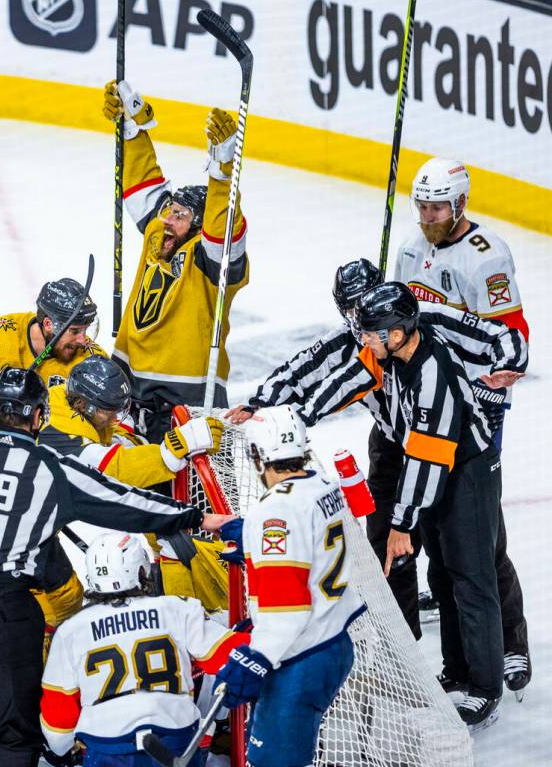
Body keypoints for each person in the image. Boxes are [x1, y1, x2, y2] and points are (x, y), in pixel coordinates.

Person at [0, 367, 233, 767]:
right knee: (15, 736)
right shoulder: (51, 467)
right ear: (38, 416)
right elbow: (122, 502)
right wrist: (192, 518)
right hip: (8, 609)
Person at [228, 258, 529, 669]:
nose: (357, 321)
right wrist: (263, 401)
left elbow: (500, 337)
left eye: (364, 309)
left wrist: (505, 370)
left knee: (480, 551)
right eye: (350, 311)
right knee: (389, 545)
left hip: (455, 445)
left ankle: (510, 645)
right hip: (393, 445)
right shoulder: (361, 339)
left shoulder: (426, 322)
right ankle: (401, 650)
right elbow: (307, 371)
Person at [298, 284, 505, 728]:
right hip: (442, 467)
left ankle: (486, 686)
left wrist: (401, 523)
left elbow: (427, 461)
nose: (366, 343)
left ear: (397, 332)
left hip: (467, 471)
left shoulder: (433, 375)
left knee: (471, 576)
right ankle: (459, 672)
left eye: (373, 335)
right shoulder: (401, 355)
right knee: (443, 573)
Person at [397, 158, 532, 689]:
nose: (428, 217)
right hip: (428, 403)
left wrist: (489, 392)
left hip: (474, 411)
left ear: (460, 205)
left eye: (437, 208)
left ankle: (511, 643)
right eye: (422, 207)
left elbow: (510, 338)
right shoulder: (412, 248)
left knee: (483, 536)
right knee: (450, 532)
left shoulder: (487, 258)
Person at [214, 405, 364, 767]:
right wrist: (254, 538)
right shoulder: (321, 485)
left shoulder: (274, 512)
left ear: (259, 454)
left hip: (301, 656)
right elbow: (306, 543)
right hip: (335, 642)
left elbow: (287, 610)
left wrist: (255, 657)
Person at [103, 80, 249, 443]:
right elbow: (142, 185)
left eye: (179, 214)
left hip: (187, 404)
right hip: (128, 389)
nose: (167, 219)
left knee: (192, 498)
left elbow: (223, 227)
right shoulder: (160, 235)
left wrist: (222, 172)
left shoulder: (209, 261)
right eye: (168, 210)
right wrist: (132, 127)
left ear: (198, 227)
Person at [38, 355, 230, 614]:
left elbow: (114, 441)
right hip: (19, 524)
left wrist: (133, 445)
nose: (117, 417)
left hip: (45, 503)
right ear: (83, 405)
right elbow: (113, 474)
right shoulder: (62, 432)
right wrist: (170, 451)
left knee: (161, 532)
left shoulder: (72, 401)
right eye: (111, 411)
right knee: (59, 600)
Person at [39, 532, 248, 767]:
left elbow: (58, 723)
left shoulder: (70, 631)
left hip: (108, 746)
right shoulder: (178, 608)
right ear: (141, 570)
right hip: (175, 738)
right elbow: (231, 657)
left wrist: (65, 750)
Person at [0, 277, 106, 435]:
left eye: (86, 329)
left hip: (50, 462)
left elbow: (116, 424)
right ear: (48, 324)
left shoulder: (95, 362)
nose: (83, 341)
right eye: (75, 331)